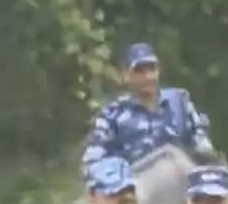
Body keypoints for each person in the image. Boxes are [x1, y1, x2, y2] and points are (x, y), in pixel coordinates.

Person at [81, 43, 214, 173]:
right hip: (135, 186)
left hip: (182, 181)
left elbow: (202, 142)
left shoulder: (180, 101)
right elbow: (92, 160)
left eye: (152, 69)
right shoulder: (113, 113)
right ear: (126, 75)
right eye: (140, 71)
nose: (148, 77)